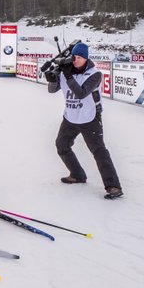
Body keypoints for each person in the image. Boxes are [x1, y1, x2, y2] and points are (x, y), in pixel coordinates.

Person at [46, 42, 123, 199]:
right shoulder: (66, 72)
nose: (75, 60)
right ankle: (77, 174)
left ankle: (113, 186)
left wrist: (68, 75)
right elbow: (52, 90)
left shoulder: (95, 74)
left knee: (99, 150)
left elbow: (81, 93)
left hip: (90, 117)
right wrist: (52, 78)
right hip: (71, 117)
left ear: (86, 59)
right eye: (74, 56)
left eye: (79, 57)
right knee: (62, 145)